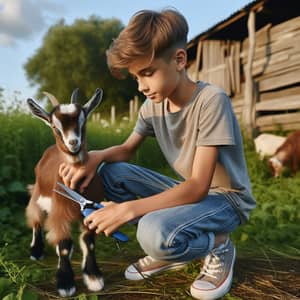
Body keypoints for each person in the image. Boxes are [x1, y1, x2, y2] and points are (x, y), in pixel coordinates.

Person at [59, 9, 256, 300]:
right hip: (191, 195)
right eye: (136, 77)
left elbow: (200, 185)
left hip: (225, 200)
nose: (141, 86)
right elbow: (126, 150)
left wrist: (131, 209)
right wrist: (97, 156)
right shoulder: (152, 107)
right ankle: (171, 242)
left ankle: (218, 244)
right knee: (113, 173)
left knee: (151, 232)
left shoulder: (211, 100)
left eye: (147, 73)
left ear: (179, 60)